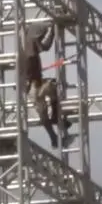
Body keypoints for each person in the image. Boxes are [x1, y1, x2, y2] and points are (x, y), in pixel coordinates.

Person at [19, 21, 72, 149]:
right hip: (33, 86)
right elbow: (45, 47)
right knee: (51, 90)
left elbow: (43, 47)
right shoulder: (30, 46)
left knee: (42, 110)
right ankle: (55, 121)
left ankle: (53, 132)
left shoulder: (25, 45)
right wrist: (52, 31)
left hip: (31, 85)